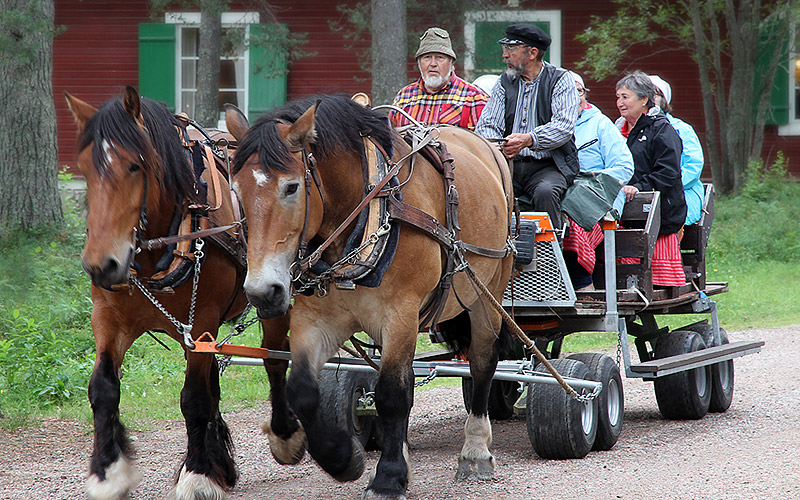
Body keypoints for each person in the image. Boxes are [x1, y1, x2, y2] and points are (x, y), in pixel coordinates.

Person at [475, 23, 580, 230]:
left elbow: (563, 126)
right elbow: (487, 125)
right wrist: (496, 147)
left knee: (545, 192)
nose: (504, 55)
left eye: (511, 49)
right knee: (482, 189)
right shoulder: (504, 81)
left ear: (532, 53)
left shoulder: (561, 79)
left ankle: (549, 256)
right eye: (504, 49)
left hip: (549, 166)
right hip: (508, 164)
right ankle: (491, 255)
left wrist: (529, 139)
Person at [561, 71, 634, 291]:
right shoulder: (552, 125)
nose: (575, 97)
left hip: (598, 198)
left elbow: (623, 166)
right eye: (567, 92)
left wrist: (590, 187)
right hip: (563, 194)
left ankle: (584, 287)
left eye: (579, 91)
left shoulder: (600, 124)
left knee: (572, 223)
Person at [615, 70, 686, 287]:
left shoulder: (661, 129)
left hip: (660, 214)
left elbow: (668, 173)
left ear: (644, 99)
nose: (619, 102)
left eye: (625, 97)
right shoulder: (617, 129)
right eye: (618, 97)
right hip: (626, 213)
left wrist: (638, 187)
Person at [390, 27, 488, 129]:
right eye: (427, 57)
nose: (433, 64)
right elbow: (391, 140)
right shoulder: (404, 97)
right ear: (419, 63)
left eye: (440, 57)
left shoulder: (473, 97)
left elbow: (484, 142)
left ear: (451, 63)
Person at [648, 74, 705, 225]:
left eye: (655, 94)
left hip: (681, 193)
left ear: (664, 100)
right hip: (645, 194)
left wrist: (665, 187)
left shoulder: (681, 129)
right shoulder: (626, 129)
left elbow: (693, 166)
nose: (649, 99)